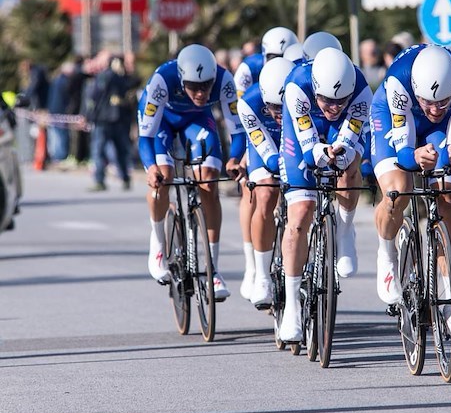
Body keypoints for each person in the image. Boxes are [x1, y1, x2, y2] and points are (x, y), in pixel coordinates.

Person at [370, 44, 451, 335]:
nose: (434, 109)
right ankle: (387, 254)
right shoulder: (398, 81)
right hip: (394, 113)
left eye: (442, 101)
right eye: (428, 102)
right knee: (398, 190)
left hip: (442, 128)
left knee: (448, 202)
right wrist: (415, 156)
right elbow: (404, 151)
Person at [278, 47, 373, 342]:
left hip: (339, 130)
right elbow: (307, 148)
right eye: (327, 101)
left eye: (339, 101)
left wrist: (340, 152)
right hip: (302, 131)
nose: (333, 106)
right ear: (316, 88)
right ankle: (292, 309)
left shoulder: (360, 90)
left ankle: (345, 230)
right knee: (300, 214)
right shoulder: (296, 86)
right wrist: (320, 151)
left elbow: (351, 137)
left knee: (350, 164)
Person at [137, 44, 245, 300]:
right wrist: (151, 168)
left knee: (208, 182)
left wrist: (235, 159)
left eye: (206, 85)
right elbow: (145, 138)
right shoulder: (163, 80)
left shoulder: (224, 80)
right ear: (182, 79)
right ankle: (159, 244)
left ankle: (213, 270)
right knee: (163, 177)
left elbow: (238, 131)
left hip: (197, 120)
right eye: (194, 87)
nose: (201, 92)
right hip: (161, 121)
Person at [233, 27, 299, 301]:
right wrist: (242, 156)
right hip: (260, 128)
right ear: (263, 55)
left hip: (292, 127)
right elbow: (241, 122)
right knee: (263, 191)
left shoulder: (299, 69)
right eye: (273, 56)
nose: (279, 60)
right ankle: (256, 269)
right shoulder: (248, 70)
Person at [84, 55, 133, 191]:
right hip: (117, 119)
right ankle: (124, 178)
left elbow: (94, 97)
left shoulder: (104, 76)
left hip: (103, 120)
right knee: (119, 151)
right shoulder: (122, 79)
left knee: (98, 151)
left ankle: (100, 181)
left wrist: (88, 115)